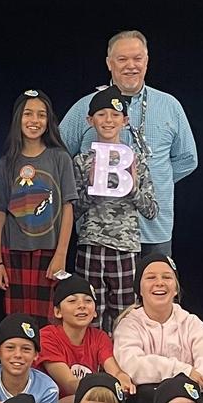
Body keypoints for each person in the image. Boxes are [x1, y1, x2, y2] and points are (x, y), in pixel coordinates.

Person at [59, 31, 198, 260]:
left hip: (153, 228)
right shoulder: (85, 107)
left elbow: (187, 159)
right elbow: (58, 156)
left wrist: (145, 182)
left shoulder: (170, 106)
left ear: (147, 61)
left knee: (155, 283)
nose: (130, 65)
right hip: (99, 232)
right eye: (122, 59)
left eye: (137, 58)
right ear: (109, 63)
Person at [70, 90, 158, 331]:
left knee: (125, 315)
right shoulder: (81, 161)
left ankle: (122, 354)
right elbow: (72, 211)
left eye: (115, 114)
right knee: (89, 313)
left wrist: (133, 188)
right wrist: (90, 188)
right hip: (90, 245)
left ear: (125, 121)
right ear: (90, 120)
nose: (108, 120)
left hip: (126, 248)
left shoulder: (137, 160)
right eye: (101, 114)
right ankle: (93, 355)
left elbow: (151, 211)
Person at [113, 253, 203, 403]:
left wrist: (185, 386)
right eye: (151, 277)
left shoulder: (190, 322)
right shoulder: (129, 325)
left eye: (167, 277)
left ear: (176, 289)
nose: (159, 282)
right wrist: (182, 371)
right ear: (139, 290)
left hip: (190, 400)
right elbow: (132, 365)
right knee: (146, 392)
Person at [0, 90, 77, 319]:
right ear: (18, 118)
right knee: (17, 322)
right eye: (28, 114)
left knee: (49, 320)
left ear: (48, 121)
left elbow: (68, 207)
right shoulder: (4, 165)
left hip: (50, 252)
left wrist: (61, 254)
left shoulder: (60, 158)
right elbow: (0, 213)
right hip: (13, 252)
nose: (34, 120)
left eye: (41, 115)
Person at [39, 273, 132, 403]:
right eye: (72, 301)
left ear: (94, 311)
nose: (81, 305)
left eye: (88, 300)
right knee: (83, 402)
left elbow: (114, 371)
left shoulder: (99, 337)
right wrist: (106, 388)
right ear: (58, 312)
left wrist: (123, 380)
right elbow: (69, 384)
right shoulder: (47, 336)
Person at [0, 315, 60, 403]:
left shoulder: (47, 390)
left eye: (26, 349)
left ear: (36, 355)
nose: (18, 355)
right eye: (10, 348)